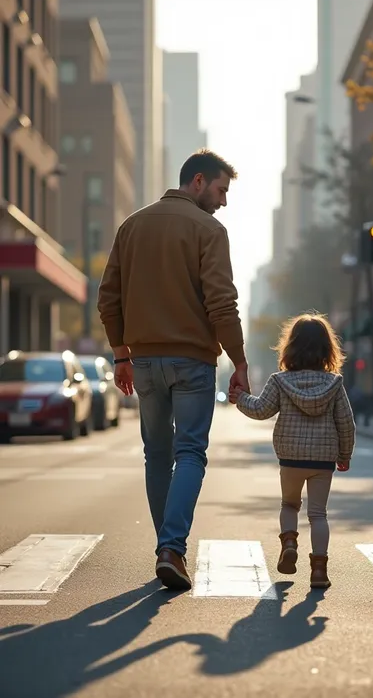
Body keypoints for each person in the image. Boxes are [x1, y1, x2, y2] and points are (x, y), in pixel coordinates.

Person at [98, 150, 249, 591]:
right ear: (198, 181)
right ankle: (172, 549)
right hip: (193, 363)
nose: (223, 201)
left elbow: (109, 298)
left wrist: (121, 355)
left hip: (143, 362)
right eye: (221, 190)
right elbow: (221, 302)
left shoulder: (132, 226)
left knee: (157, 455)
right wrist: (238, 360)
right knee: (190, 454)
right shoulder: (210, 231)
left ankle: (168, 547)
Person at [229, 313, 355, 589]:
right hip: (323, 460)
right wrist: (344, 456)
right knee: (318, 514)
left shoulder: (279, 381)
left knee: (289, 504)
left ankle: (289, 542)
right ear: (327, 349)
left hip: (290, 457)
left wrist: (240, 398)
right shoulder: (334, 384)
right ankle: (319, 571)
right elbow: (346, 424)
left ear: (290, 347)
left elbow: (261, 410)